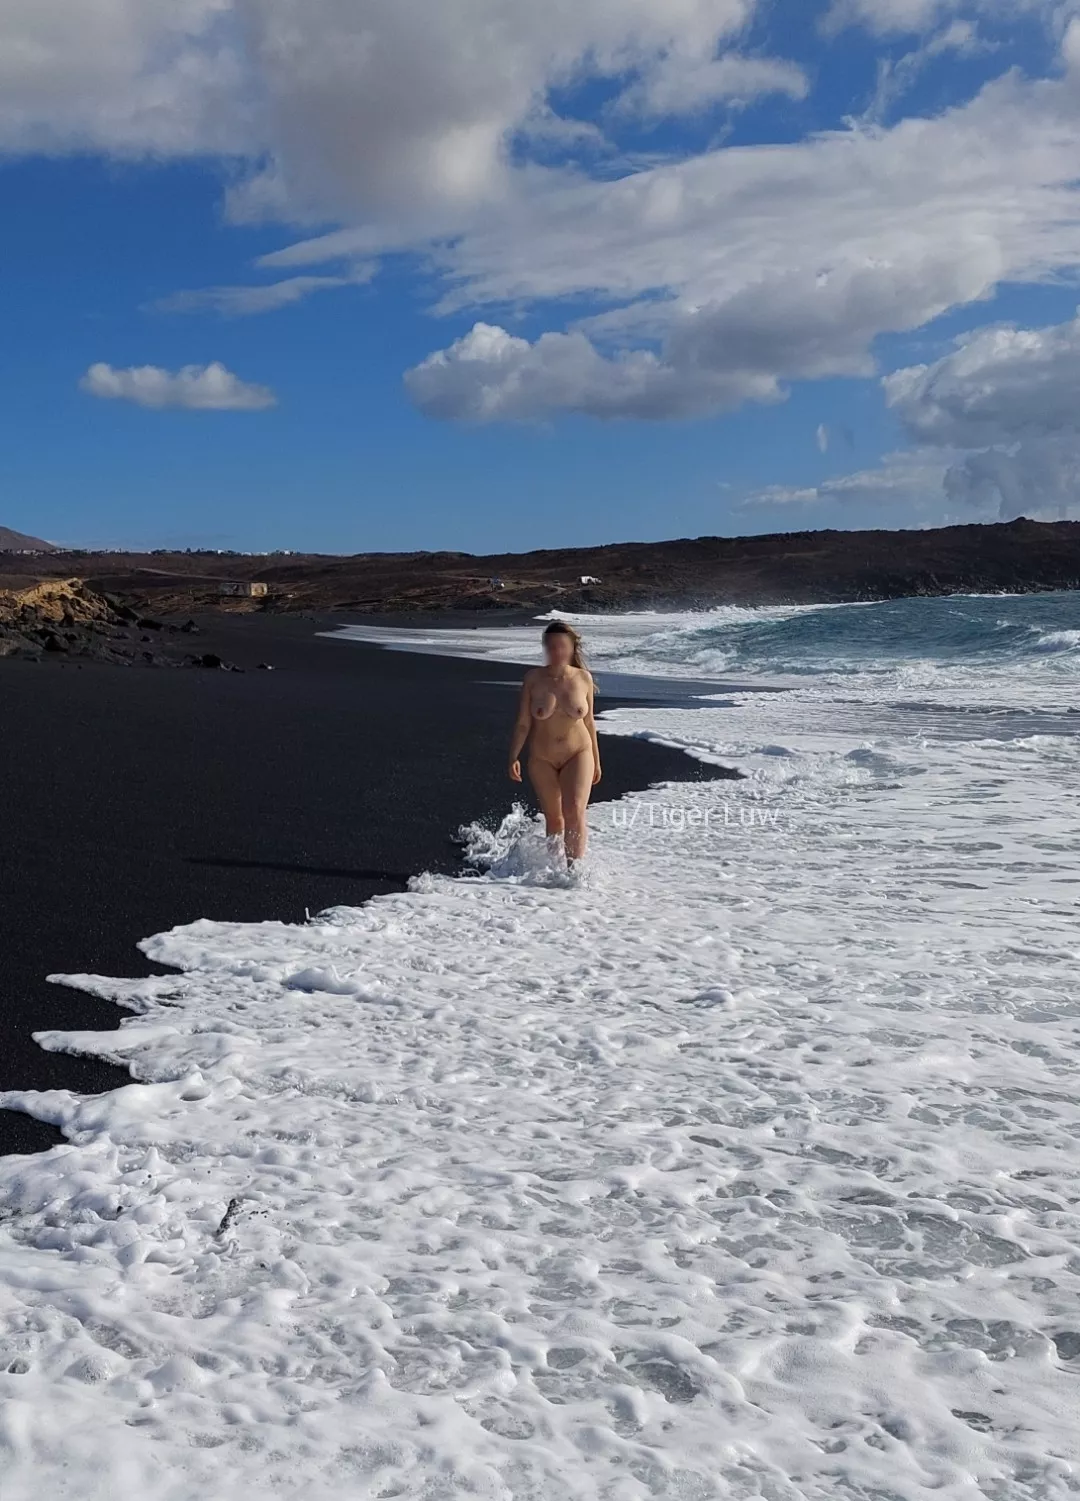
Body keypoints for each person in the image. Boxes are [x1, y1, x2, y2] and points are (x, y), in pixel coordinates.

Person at [509, 620, 601, 862]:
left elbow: (590, 722)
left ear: (571, 648)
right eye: (550, 646)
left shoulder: (584, 678)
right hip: (542, 757)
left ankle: (574, 870)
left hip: (578, 753)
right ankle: (555, 867)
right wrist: (513, 757)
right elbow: (523, 722)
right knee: (554, 817)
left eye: (561, 646)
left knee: (574, 810)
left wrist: (597, 762)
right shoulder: (533, 679)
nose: (556, 651)